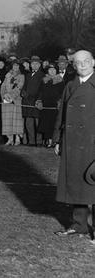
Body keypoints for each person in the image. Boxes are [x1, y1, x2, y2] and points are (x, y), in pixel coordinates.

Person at [53, 50, 95, 238]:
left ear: (93, 62)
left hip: (91, 141)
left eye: (86, 61)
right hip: (72, 141)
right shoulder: (70, 85)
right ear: (74, 65)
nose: (83, 65)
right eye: (78, 62)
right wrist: (57, 139)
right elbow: (61, 114)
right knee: (76, 182)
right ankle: (79, 224)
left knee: (92, 181)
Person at [37, 64, 64, 147]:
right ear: (47, 71)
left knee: (54, 124)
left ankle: (54, 141)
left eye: (54, 70)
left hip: (55, 106)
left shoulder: (60, 80)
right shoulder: (44, 80)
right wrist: (39, 101)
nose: (52, 71)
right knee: (46, 124)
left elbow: (63, 93)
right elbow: (40, 92)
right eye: (50, 70)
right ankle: (48, 141)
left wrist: (60, 102)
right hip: (45, 105)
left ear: (56, 71)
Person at [1, 61, 25, 145]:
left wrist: (11, 96)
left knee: (16, 120)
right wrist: (4, 95)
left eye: (17, 65)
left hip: (16, 100)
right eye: (14, 65)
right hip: (6, 100)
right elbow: (3, 86)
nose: (15, 67)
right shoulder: (7, 75)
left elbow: (19, 87)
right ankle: (10, 139)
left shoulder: (21, 76)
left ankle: (17, 139)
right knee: (7, 120)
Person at [21, 56, 44, 146]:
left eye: (36, 64)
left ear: (39, 65)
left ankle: (39, 141)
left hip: (36, 101)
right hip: (27, 101)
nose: (34, 65)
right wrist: (23, 92)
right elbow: (24, 86)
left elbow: (42, 89)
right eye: (33, 64)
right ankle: (31, 141)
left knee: (38, 122)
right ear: (30, 65)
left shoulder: (42, 75)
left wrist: (38, 99)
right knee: (28, 123)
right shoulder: (28, 75)